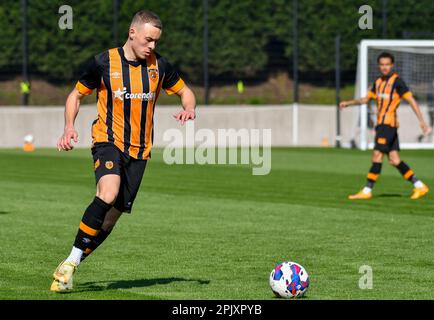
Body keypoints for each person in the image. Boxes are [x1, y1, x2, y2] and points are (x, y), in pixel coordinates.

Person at [51, 10, 196, 292]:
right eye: (148, 40)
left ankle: (72, 263)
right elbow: (76, 95)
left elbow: (185, 91)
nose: (152, 46)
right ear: (132, 33)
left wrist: (189, 108)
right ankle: (70, 260)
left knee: (112, 217)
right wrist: (69, 126)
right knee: (107, 193)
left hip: (140, 152)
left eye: (156, 41)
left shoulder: (160, 67)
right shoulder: (103, 62)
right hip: (108, 140)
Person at [340, 52, 431, 200]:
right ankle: (420, 186)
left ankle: (367, 190)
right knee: (395, 160)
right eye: (382, 65)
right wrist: (349, 103)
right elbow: (365, 99)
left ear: (392, 65)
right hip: (383, 126)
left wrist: (422, 121)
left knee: (377, 155)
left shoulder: (398, 82)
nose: (384, 67)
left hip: (388, 125)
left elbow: (412, 101)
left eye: (387, 64)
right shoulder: (378, 82)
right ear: (378, 66)